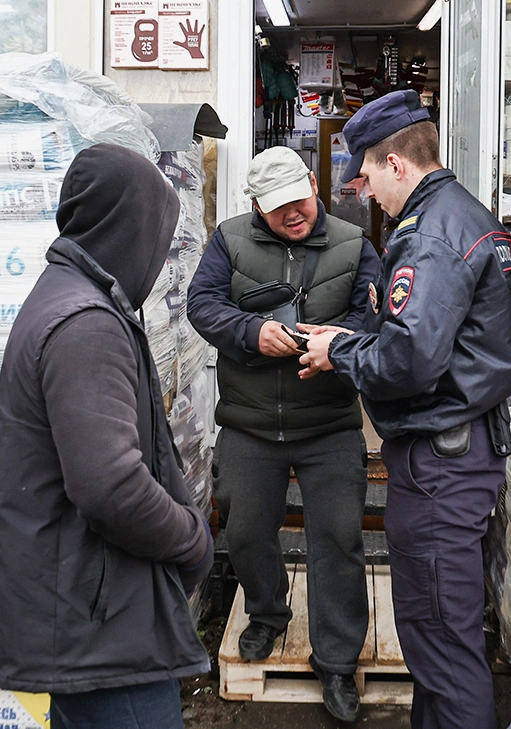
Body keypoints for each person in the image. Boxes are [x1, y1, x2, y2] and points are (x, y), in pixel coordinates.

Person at [297, 90, 511, 729]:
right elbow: (430, 344)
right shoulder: (465, 215)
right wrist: (349, 341)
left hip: (439, 471)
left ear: (395, 164)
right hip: (462, 452)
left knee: (441, 644)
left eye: (366, 174)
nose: (364, 191)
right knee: (440, 641)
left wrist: (340, 355)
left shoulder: (427, 235)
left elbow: (408, 363)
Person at [0, 145, 214, 729]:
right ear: (128, 229)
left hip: (88, 613)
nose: (161, 261)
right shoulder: (86, 324)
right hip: (102, 624)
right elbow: (110, 484)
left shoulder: (67, 298)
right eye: (157, 241)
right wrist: (190, 539)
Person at [187, 146, 379, 722]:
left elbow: (373, 321)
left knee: (340, 539)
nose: (291, 214)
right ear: (255, 206)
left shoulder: (355, 243)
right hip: (249, 424)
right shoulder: (228, 240)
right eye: (276, 208)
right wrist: (251, 330)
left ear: (314, 187)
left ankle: (338, 661)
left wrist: (335, 343)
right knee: (244, 530)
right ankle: (267, 615)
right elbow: (202, 305)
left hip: (329, 425)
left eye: (298, 200)